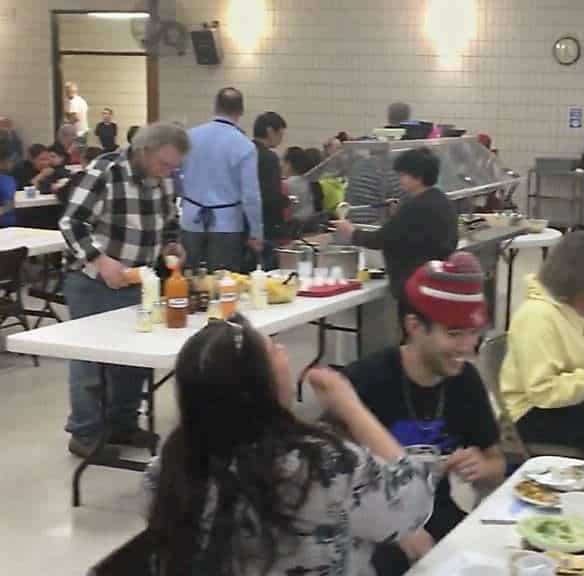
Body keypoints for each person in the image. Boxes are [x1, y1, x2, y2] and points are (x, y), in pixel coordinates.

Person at [146, 314, 434, 576]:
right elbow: (413, 505)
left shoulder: (167, 470)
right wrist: (351, 408)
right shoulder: (320, 467)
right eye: (273, 349)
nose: (284, 351)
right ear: (261, 386)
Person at [342, 253, 504, 575]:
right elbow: (332, 488)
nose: (467, 347)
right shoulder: (364, 382)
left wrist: (483, 467)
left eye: (473, 333)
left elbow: (497, 465)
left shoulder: (465, 381)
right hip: (370, 532)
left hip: (438, 517)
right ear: (414, 326)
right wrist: (396, 528)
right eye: (454, 334)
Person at [59, 123, 189, 458]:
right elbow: (71, 222)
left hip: (137, 281)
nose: (167, 172)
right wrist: (100, 259)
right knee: (91, 361)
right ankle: (85, 433)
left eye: (173, 167)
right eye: (163, 164)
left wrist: (171, 244)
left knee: (134, 359)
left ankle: (122, 423)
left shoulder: (163, 179)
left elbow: (168, 220)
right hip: (92, 281)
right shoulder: (105, 172)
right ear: (144, 151)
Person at [500, 231, 584, 464]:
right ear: (583, 283)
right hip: (533, 411)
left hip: (580, 394)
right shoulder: (537, 317)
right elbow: (542, 392)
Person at [333, 147, 457, 299]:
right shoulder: (442, 200)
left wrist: (351, 231)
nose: (399, 180)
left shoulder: (416, 207)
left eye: (403, 175)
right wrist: (398, 215)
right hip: (436, 280)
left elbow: (380, 239)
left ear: (418, 177)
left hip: (416, 284)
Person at [180, 87, 263, 272]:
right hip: (227, 223)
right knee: (223, 281)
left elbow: (177, 173)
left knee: (186, 277)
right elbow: (251, 195)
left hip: (191, 218)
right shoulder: (244, 145)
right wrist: (256, 232)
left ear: (215, 107)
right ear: (241, 111)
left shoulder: (189, 137)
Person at [253, 112, 289, 270]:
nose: (281, 139)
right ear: (270, 131)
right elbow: (271, 196)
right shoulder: (269, 158)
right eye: (280, 134)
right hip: (267, 225)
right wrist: (286, 201)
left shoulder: (245, 151)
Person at [0, 135, 15, 227]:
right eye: (10, 160)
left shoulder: (9, 179)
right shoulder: (6, 181)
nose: (13, 163)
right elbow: (10, 204)